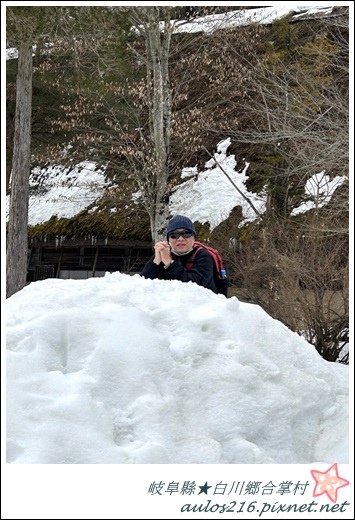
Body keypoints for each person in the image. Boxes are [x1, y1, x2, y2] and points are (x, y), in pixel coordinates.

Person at [141, 215, 217, 293]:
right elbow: (142, 285)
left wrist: (170, 264)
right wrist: (155, 262)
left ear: (194, 238)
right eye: (174, 235)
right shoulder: (163, 254)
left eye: (186, 234)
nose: (180, 239)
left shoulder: (203, 256)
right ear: (168, 240)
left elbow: (195, 287)